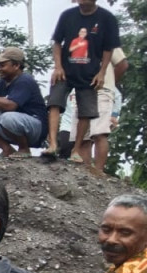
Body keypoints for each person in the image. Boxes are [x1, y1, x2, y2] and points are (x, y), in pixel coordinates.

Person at [44, 0, 121, 160]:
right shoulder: (67, 16)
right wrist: (57, 66)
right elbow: (57, 42)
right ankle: (52, 144)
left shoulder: (107, 18)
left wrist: (102, 72)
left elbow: (109, 48)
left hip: (89, 73)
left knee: (86, 112)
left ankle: (76, 150)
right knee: (54, 103)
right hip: (65, 70)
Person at [0, 47, 49, 158]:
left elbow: (10, 106)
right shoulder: (1, 83)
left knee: (7, 117)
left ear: (16, 66)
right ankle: (7, 149)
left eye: (2, 65)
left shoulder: (24, 80)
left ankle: (24, 149)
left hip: (35, 129)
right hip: (13, 127)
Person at [63, 46, 128, 172]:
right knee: (82, 138)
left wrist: (108, 83)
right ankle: (87, 174)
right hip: (81, 91)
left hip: (102, 91)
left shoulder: (107, 40)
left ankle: (98, 172)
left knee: (99, 133)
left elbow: (122, 64)